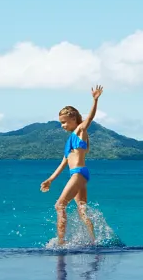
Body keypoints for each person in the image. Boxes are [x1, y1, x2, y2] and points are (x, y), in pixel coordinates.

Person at [40, 85, 104, 246]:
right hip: (79, 173)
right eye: (60, 123)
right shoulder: (70, 140)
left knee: (59, 205)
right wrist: (50, 180)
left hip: (78, 174)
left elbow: (89, 119)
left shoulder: (80, 131)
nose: (62, 125)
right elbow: (63, 163)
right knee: (82, 209)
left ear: (73, 119)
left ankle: (61, 243)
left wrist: (95, 100)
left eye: (64, 122)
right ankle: (93, 241)